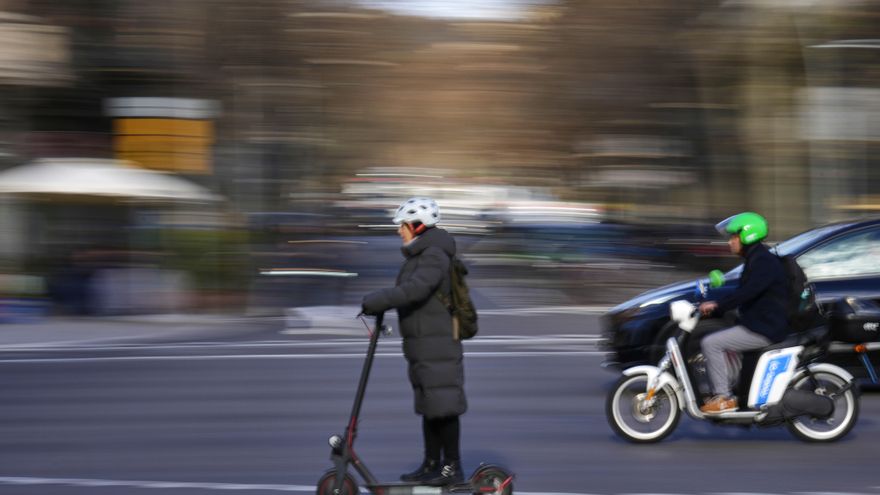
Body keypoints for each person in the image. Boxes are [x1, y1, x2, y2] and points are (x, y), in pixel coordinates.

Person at [361, 197, 467, 485]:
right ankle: (432, 463)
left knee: (443, 407)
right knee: (430, 406)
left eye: (403, 225)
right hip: (424, 344)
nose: (399, 231)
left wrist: (377, 301)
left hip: (438, 344)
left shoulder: (433, 255)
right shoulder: (423, 254)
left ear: (417, 226)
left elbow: (415, 290)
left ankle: (452, 468)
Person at [697, 212, 789, 414]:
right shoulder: (756, 259)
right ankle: (733, 389)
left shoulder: (762, 262)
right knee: (722, 334)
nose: (730, 242)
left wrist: (718, 306)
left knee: (711, 343)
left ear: (747, 236)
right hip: (760, 323)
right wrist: (718, 304)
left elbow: (747, 293)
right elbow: (743, 292)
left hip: (765, 329)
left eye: (733, 237)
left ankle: (724, 398)